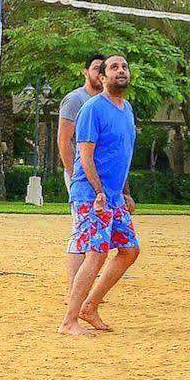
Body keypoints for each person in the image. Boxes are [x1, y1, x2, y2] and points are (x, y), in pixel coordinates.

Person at [62, 54, 141, 336]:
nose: (121, 71)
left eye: (124, 67)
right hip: (91, 193)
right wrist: (98, 193)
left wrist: (124, 193)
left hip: (114, 195)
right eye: (114, 67)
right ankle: (69, 321)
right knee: (95, 253)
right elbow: (85, 156)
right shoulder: (93, 108)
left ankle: (90, 306)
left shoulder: (126, 108)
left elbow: (123, 155)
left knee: (129, 249)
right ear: (102, 77)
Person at [57, 53, 108, 291]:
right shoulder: (75, 99)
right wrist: (73, 173)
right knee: (81, 230)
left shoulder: (106, 102)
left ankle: (83, 286)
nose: (99, 73)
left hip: (101, 176)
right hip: (81, 174)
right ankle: (74, 289)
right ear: (85, 71)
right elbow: (64, 140)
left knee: (96, 231)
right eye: (96, 68)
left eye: (102, 69)